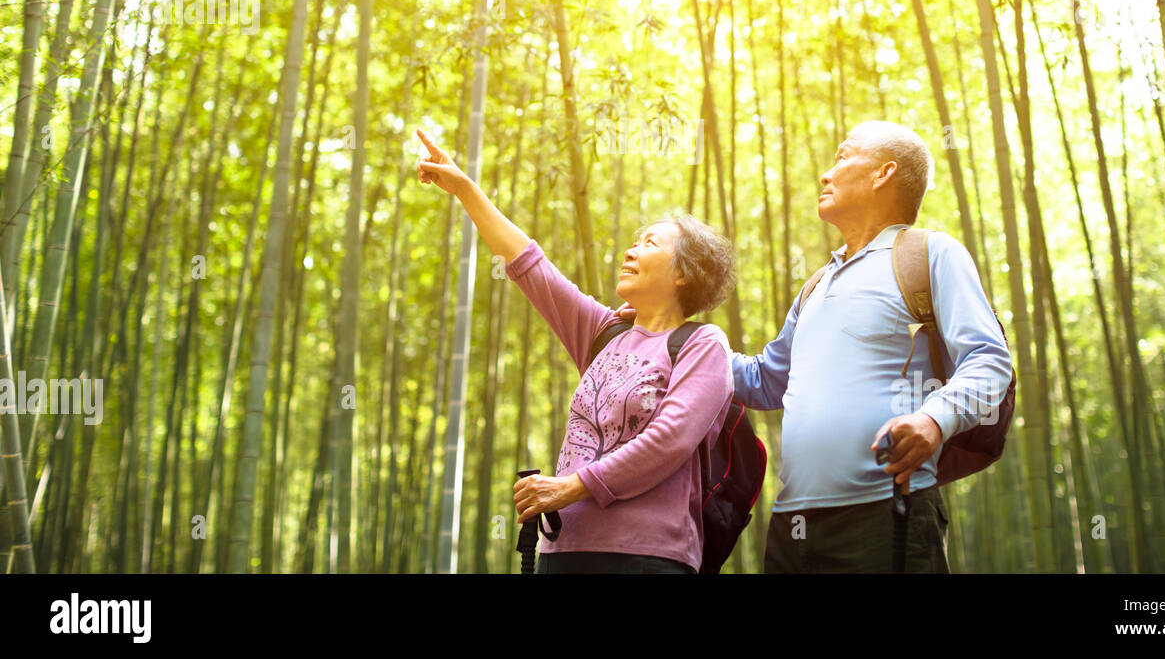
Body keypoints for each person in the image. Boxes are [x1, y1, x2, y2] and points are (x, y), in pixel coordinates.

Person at [415, 129, 735, 573]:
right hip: (563, 550)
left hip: (647, 555)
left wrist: (572, 487)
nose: (630, 249)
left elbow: (671, 439)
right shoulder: (604, 333)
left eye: (649, 243)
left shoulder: (703, 345)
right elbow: (529, 264)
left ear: (684, 272)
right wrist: (466, 190)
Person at [732, 120, 1014, 573]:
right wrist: (673, 339)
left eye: (842, 156)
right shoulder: (816, 285)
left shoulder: (930, 253)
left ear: (883, 173)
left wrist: (934, 419)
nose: (826, 174)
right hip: (792, 525)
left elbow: (989, 360)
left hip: (887, 511)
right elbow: (764, 382)